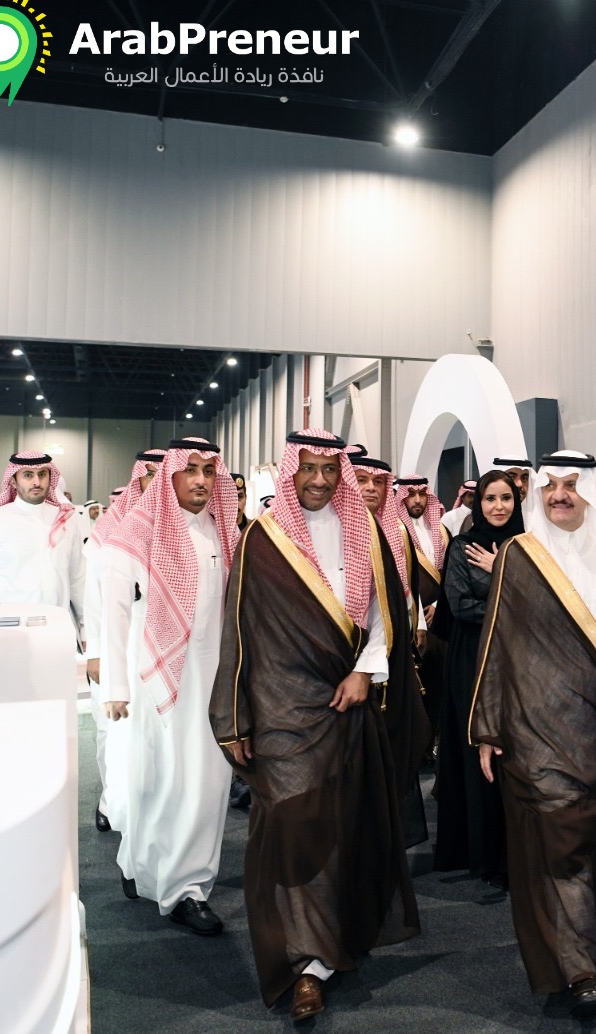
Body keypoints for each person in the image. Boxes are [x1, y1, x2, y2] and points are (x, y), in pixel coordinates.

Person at [210, 429, 416, 1022]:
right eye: (309, 468)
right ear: (290, 472)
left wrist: (365, 671)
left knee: (340, 824)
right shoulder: (262, 538)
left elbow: (384, 613)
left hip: (345, 702)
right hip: (280, 708)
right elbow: (239, 633)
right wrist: (236, 716)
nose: (320, 480)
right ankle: (302, 961)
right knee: (294, 823)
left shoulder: (366, 530)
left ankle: (321, 958)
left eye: (330, 469)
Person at [470, 452, 596, 1018]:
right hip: (533, 726)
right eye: (550, 486)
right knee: (557, 837)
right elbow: (497, 645)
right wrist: (488, 727)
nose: (559, 495)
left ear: (591, 492)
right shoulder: (520, 553)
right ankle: (581, 971)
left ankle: (582, 952)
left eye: (572, 486)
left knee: (589, 839)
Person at [101, 440, 240, 937]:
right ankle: (140, 863)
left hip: (213, 678)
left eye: (209, 471)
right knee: (157, 780)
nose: (201, 480)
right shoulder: (136, 531)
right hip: (153, 677)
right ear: (170, 475)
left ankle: (187, 887)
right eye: (191, 470)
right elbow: (113, 615)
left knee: (206, 782)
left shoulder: (224, 531)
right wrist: (115, 686)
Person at [433, 469, 522, 887]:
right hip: (473, 659)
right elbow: (459, 605)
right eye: (490, 498)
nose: (499, 506)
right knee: (476, 751)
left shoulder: (529, 545)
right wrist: (512, 592)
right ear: (478, 503)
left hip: (520, 660)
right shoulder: (463, 546)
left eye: (506, 498)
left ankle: (516, 850)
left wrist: (502, 568)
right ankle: (482, 852)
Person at [351, 453, 432, 848]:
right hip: (348, 656)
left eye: (378, 482)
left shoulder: (397, 529)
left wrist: (418, 625)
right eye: (361, 480)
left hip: (395, 651)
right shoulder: (336, 528)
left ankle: (395, 837)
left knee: (398, 741)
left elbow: (407, 587)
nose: (371, 488)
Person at [84, 448, 166, 833]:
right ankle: (111, 803)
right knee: (113, 732)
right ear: (138, 479)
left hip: (159, 650)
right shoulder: (111, 528)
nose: (157, 482)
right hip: (117, 648)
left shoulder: (178, 526)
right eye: (150, 474)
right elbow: (94, 598)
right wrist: (96, 653)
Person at [0, 451, 86, 645]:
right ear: (13, 481)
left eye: (42, 474)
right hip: (6, 633)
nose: (37, 482)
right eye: (28, 475)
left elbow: (78, 579)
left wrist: (86, 628)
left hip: (56, 630)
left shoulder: (66, 521)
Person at [396, 473, 448, 753]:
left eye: (422, 494)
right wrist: (418, 618)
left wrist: (438, 606)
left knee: (439, 683)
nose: (417, 500)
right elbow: (405, 579)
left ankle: (432, 746)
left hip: (440, 618)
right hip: (412, 622)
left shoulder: (442, 531)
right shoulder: (395, 530)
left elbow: (451, 573)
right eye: (411, 495)